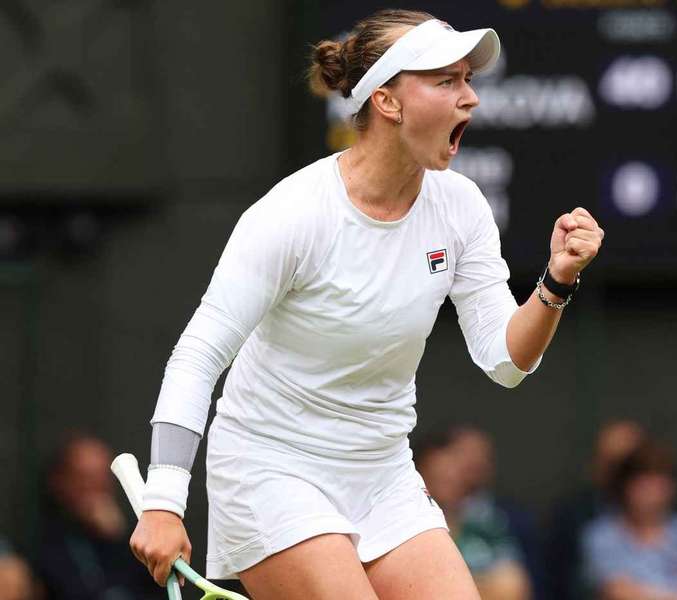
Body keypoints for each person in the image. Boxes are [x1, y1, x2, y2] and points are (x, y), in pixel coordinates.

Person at [128, 9, 604, 600]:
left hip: (383, 473)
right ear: (387, 101)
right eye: (446, 81)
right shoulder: (292, 214)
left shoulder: (460, 207)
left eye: (468, 80)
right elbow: (198, 357)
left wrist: (555, 282)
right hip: (271, 469)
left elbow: (505, 361)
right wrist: (164, 501)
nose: (470, 99)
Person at [581, 439, 677, 600]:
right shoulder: (603, 534)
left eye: (659, 482)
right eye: (643, 482)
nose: (652, 491)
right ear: (624, 486)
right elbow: (618, 592)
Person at [36, 434, 157, 600]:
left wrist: (118, 538)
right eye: (85, 479)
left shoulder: (133, 532)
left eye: (102, 478)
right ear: (61, 481)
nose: (95, 489)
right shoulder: (45, 539)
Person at [415, 430, 532, 600]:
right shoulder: (405, 524)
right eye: (439, 474)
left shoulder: (485, 522)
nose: (450, 478)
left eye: (456, 472)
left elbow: (513, 588)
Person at [546, 420, 646, 599]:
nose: (620, 475)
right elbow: (558, 583)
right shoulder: (573, 517)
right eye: (612, 464)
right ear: (596, 465)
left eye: (629, 467)